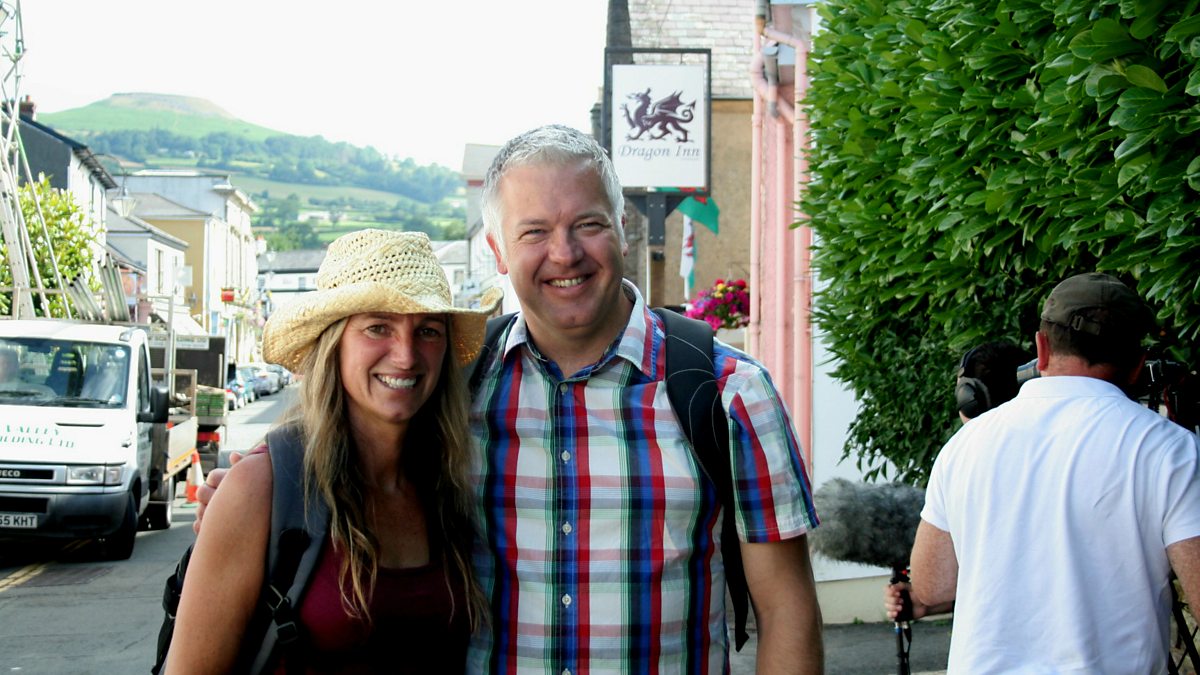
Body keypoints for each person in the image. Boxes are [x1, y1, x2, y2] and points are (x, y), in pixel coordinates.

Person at [202, 125, 823, 674]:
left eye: (588, 224)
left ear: (621, 227)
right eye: (535, 232)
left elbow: (787, 611)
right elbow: (343, 459)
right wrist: (243, 504)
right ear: (498, 251)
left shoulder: (728, 394)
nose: (565, 253)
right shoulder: (450, 389)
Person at [169, 229, 501, 673]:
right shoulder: (263, 486)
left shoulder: (449, 482)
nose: (406, 355)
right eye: (378, 327)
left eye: (428, 330)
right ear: (334, 343)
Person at [909, 272, 1200, 673]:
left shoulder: (964, 445)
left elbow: (932, 586)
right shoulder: (1170, 449)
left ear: (1041, 348)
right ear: (1137, 365)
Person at [883, 339, 1030, 621]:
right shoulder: (1075, 441)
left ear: (969, 398)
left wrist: (927, 600)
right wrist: (929, 607)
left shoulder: (959, 455)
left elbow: (934, 585)